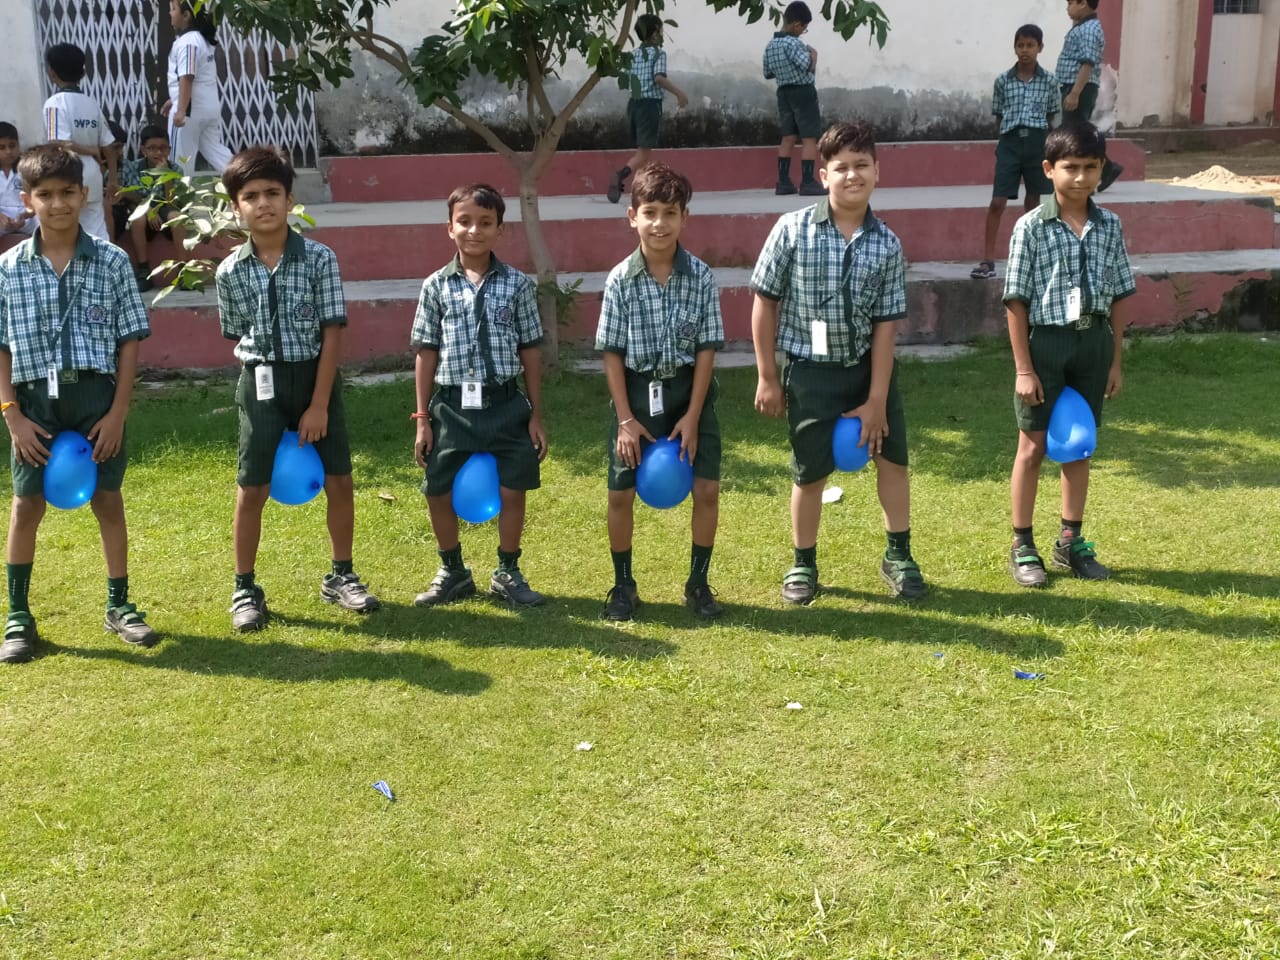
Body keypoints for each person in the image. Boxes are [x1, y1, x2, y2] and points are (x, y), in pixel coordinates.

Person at [750, 120, 927, 605]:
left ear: (877, 172)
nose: (852, 175)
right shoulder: (792, 229)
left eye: (862, 166)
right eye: (841, 167)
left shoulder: (886, 244)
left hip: (867, 370)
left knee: (892, 460)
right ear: (823, 174)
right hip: (809, 372)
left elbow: (886, 327)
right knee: (809, 471)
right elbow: (764, 302)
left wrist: (876, 400)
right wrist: (767, 375)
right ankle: (803, 562)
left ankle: (898, 555)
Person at [0, 145, 158, 663]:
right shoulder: (8, 269)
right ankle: (18, 615)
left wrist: (117, 413)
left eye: (67, 192)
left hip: (94, 396)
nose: (58, 203)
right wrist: (12, 416)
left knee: (107, 501)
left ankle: (120, 604)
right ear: (28, 200)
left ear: (84, 195)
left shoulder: (111, 260)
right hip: (33, 404)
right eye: (44, 195)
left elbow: (130, 340)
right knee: (27, 507)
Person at [216, 146, 380, 631]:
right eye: (250, 196)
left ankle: (342, 576)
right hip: (260, 384)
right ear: (235, 207)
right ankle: (245, 588)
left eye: (273, 193)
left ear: (290, 200)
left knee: (340, 480)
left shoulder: (319, 259)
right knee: (252, 488)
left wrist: (318, 404)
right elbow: (235, 331)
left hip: (315, 378)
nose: (262, 203)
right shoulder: (229, 271)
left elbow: (332, 331)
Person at [1003, 122, 1134, 588]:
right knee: (1033, 446)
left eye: (1090, 167)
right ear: (1048, 169)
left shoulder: (1110, 225)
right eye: (1070, 168)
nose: (1080, 178)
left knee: (1079, 444)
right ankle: (1022, 544)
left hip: (1092, 343)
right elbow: (1015, 300)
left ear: (1101, 169)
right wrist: (1024, 368)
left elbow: (1119, 294)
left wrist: (1115, 360)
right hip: (1046, 345)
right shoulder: (1030, 228)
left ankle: (1070, 541)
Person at [595, 163, 725, 622]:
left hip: (689, 394)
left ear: (684, 217)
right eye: (649, 212)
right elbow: (611, 353)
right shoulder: (620, 280)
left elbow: (708, 349)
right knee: (620, 493)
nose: (659, 223)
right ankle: (623, 585)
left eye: (670, 212)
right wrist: (626, 420)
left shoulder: (702, 277)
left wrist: (691, 416)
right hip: (634, 396)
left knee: (706, 489)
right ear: (632, 216)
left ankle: (698, 582)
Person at [410, 183, 548, 608]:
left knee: (513, 488)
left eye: (485, 223)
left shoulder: (518, 285)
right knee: (438, 486)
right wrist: (423, 418)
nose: (474, 230)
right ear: (449, 228)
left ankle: (508, 569)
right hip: (451, 408)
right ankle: (452, 570)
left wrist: (535, 414)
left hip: (505, 404)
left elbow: (530, 350)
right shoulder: (436, 286)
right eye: (464, 222)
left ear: (500, 229)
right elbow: (425, 352)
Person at [970, 24, 1060, 280]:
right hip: (1010, 143)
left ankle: (1030, 258)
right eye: (1020, 45)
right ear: (1015, 48)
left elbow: (1052, 114)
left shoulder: (1049, 81)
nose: (1025, 50)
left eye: (1030, 45)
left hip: (1038, 143)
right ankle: (987, 260)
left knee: (1033, 203)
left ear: (1040, 48)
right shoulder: (1003, 81)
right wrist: (1008, 139)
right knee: (998, 201)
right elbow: (998, 115)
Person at [605, 14, 689, 204]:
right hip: (650, 104)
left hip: (633, 104)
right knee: (644, 153)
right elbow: (658, 77)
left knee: (642, 151)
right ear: (653, 34)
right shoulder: (659, 54)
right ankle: (621, 175)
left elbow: (626, 80)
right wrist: (679, 93)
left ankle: (644, 187)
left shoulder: (632, 55)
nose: (662, 35)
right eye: (660, 31)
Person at [41, 43, 117, 242]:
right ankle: (107, 271)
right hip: (93, 174)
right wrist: (113, 179)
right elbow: (109, 147)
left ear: (52, 72)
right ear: (82, 72)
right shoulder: (91, 104)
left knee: (69, 232)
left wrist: (91, 150)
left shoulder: (54, 104)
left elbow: (59, 144)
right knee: (97, 228)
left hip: (68, 172)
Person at [1056, 0, 1122, 192]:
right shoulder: (1083, 26)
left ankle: (1106, 168)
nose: (1067, 8)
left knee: (1076, 133)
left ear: (1083, 3)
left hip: (1080, 87)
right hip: (1074, 86)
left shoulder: (1089, 30)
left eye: (1070, 3)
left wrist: (1075, 93)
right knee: (1077, 132)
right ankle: (1105, 168)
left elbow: (1087, 64)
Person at [162, 0, 233, 176]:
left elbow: (188, 76)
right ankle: (250, 175)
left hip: (190, 112)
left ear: (186, 16)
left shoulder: (188, 42)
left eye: (173, 10)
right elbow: (198, 76)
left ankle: (180, 201)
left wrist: (181, 109)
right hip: (207, 107)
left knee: (180, 162)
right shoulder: (202, 39)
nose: (170, 14)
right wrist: (174, 99)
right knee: (216, 152)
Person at [114, 125, 188, 292]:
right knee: (137, 218)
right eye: (152, 148)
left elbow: (171, 202)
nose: (158, 153)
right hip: (143, 211)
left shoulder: (175, 169)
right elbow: (131, 197)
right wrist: (149, 211)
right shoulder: (134, 168)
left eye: (163, 148)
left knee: (177, 216)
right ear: (143, 150)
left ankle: (183, 269)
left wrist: (166, 176)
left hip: (167, 210)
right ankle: (143, 269)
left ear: (169, 149)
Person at [763, 1, 823, 196]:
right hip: (803, 92)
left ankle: (783, 182)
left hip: (783, 92)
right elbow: (807, 65)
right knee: (809, 138)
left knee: (787, 137)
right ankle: (807, 181)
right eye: (804, 28)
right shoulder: (794, 43)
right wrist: (814, 55)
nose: (803, 31)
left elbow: (768, 73)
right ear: (797, 25)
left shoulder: (770, 45)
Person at [0, 124, 36, 239]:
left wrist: (26, 215)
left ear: (18, 144)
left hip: (25, 218)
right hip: (1, 220)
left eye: (12, 146)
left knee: (45, 222)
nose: (8, 151)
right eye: (2, 147)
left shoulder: (28, 167)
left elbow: (37, 198)